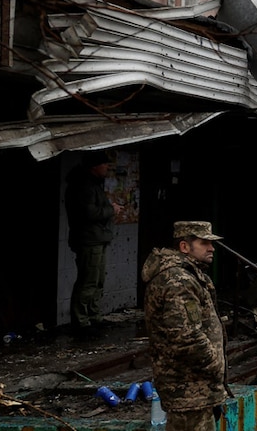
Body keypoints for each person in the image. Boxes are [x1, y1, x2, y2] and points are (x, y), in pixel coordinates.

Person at [142, 221, 228, 431]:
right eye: (204, 243)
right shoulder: (178, 280)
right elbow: (186, 336)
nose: (211, 248)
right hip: (188, 387)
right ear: (184, 247)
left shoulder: (188, 275)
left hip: (194, 388)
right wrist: (215, 363)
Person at [65, 151, 123, 337]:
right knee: (88, 281)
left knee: (97, 280)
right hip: (89, 239)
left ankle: (93, 316)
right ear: (94, 167)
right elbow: (90, 213)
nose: (107, 168)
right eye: (104, 164)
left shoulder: (91, 184)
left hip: (96, 238)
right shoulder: (83, 186)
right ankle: (81, 321)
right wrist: (110, 209)